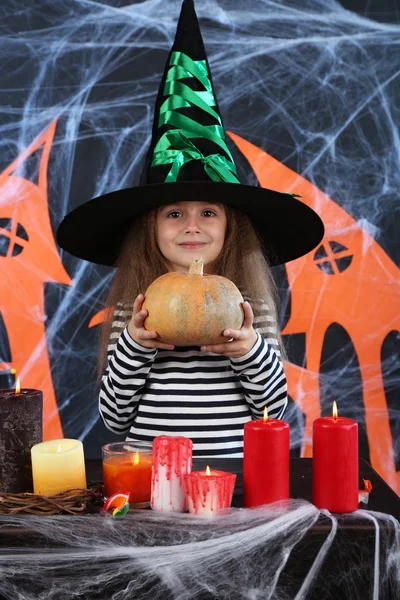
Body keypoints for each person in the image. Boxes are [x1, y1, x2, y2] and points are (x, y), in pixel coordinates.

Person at [56, 0, 324, 456]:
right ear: (151, 230)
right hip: (153, 479)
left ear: (230, 229)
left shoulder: (246, 306)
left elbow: (273, 410)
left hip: (234, 481)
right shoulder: (135, 309)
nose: (192, 226)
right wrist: (137, 347)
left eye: (209, 212)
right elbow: (115, 418)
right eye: (174, 213)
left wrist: (248, 351)